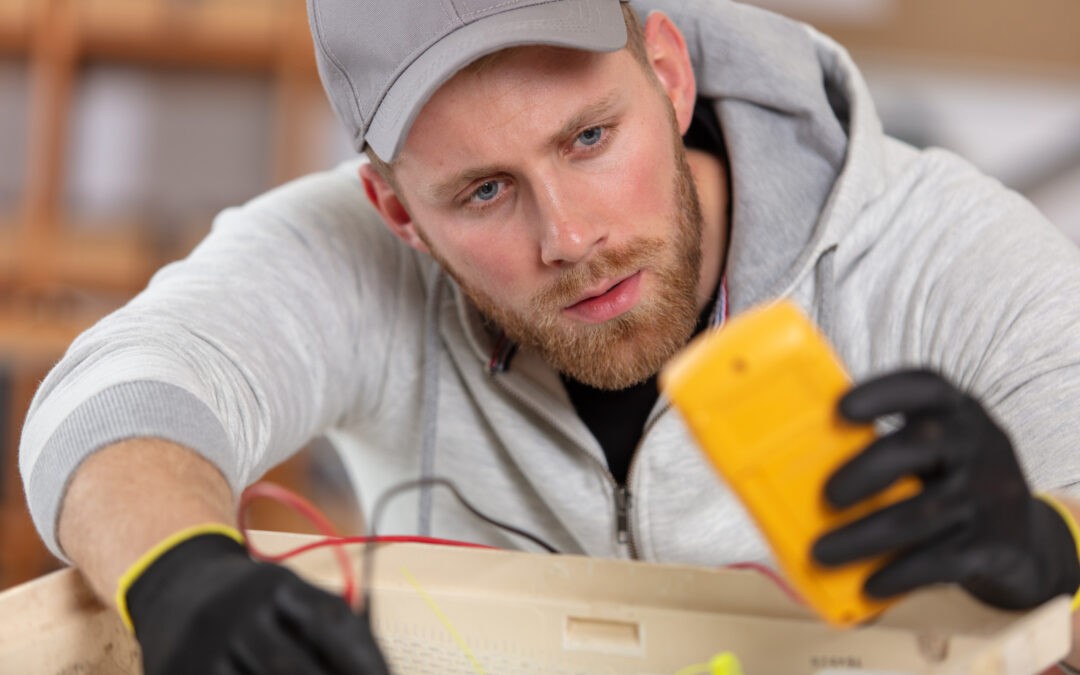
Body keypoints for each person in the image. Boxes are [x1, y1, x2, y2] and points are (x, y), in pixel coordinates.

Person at [18, 0, 1080, 672]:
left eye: (588, 137)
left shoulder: (941, 248)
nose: (570, 239)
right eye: (484, 192)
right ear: (398, 213)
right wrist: (178, 572)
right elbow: (119, 394)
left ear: (668, 74)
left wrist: (1049, 542)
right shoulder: (345, 252)